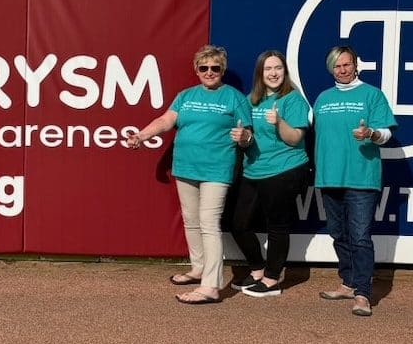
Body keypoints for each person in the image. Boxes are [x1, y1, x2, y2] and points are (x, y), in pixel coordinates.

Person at [123, 45, 252, 304]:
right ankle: (198, 268)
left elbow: (248, 135)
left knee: (209, 223)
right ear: (197, 70)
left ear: (222, 70)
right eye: (204, 67)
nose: (209, 72)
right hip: (185, 167)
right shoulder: (185, 96)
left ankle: (211, 286)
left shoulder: (234, 98)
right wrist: (141, 136)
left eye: (215, 68)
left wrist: (245, 137)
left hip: (216, 169)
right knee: (192, 220)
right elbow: (166, 121)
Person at [311, 45, 396, 317]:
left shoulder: (372, 95)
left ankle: (362, 293)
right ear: (331, 69)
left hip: (361, 178)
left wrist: (371, 133)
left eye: (347, 64)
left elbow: (386, 134)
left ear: (355, 65)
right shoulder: (322, 99)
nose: (343, 69)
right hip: (329, 177)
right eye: (337, 66)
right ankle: (348, 282)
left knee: (360, 237)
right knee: (338, 234)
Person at [229, 50, 312, 298]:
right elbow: (248, 139)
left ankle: (272, 278)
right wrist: (243, 139)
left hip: (285, 169)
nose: (273, 73)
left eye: (278, 68)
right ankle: (256, 269)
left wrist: (279, 123)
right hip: (254, 169)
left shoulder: (293, 100)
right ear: (260, 73)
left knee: (277, 226)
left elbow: (296, 138)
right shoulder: (251, 100)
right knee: (238, 224)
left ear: (285, 72)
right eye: (268, 69)